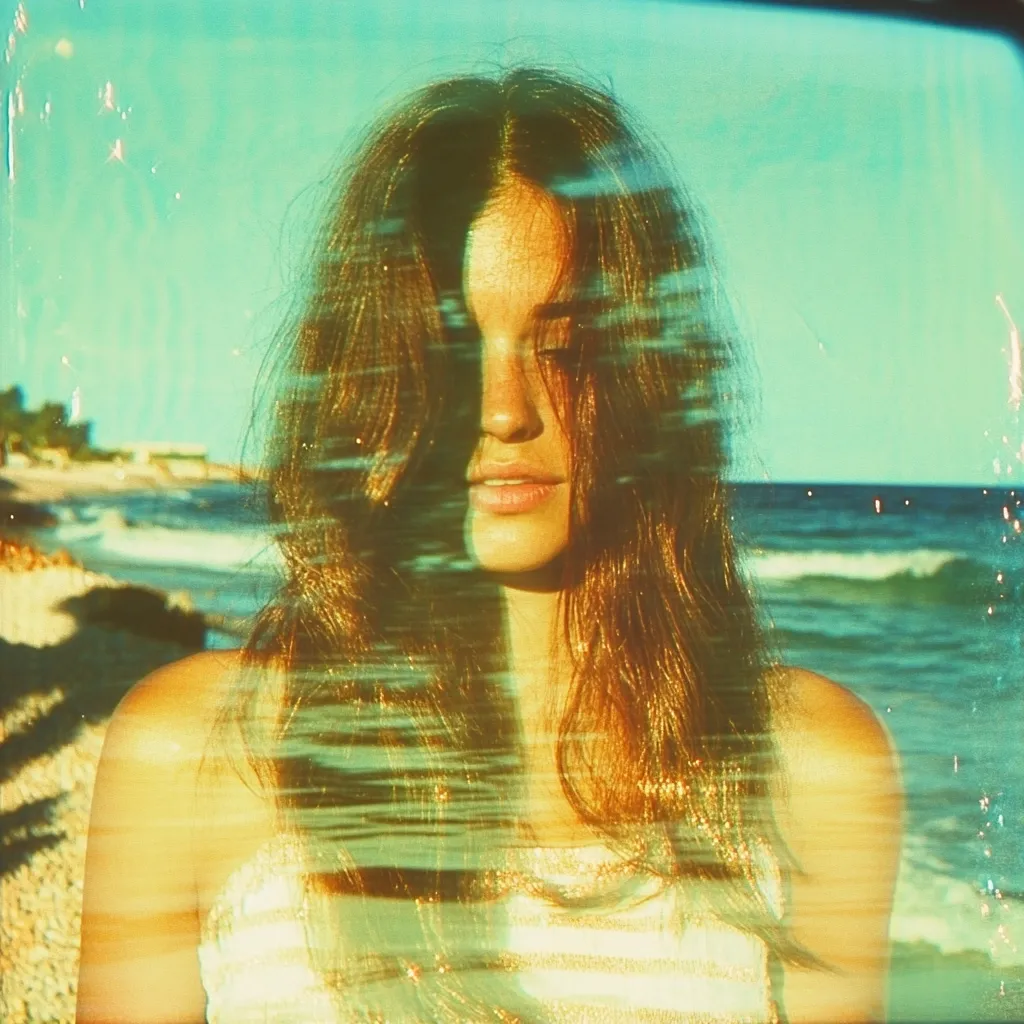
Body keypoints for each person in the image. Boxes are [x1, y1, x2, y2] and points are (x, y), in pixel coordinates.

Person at [76, 66, 904, 1023]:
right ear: (369, 382)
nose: (504, 411)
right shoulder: (192, 756)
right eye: (449, 350)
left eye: (565, 347)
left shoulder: (807, 771)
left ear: (650, 374)